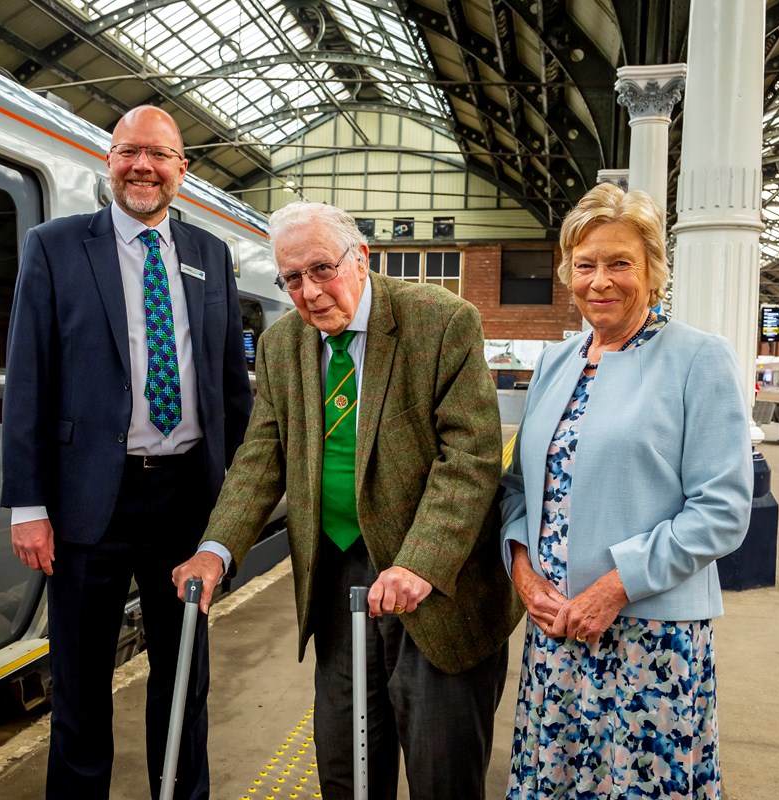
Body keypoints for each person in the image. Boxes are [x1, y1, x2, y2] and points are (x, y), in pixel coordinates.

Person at [173, 201, 523, 800]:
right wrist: (216, 548)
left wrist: (419, 564)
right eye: (292, 278)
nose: (308, 292)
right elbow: (262, 457)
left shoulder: (440, 322)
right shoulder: (283, 345)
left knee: (442, 773)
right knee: (346, 767)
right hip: (338, 582)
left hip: (434, 584)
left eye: (321, 270)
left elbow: (469, 461)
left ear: (359, 257)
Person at [1, 105, 252, 800]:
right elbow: (28, 377)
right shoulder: (53, 247)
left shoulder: (210, 256)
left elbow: (232, 388)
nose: (143, 165)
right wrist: (28, 503)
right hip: (88, 507)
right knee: (80, 690)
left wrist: (238, 504)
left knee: (184, 683)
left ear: (183, 170)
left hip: (187, 503)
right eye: (128, 151)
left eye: (159, 154)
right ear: (109, 161)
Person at [500, 183, 753, 798]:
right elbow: (518, 491)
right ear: (567, 273)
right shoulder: (556, 363)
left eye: (620, 263)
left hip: (649, 641)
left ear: (653, 272)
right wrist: (523, 574)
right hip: (557, 633)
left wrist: (614, 588)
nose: (600, 281)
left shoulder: (699, 359)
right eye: (585, 265)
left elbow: (721, 511)